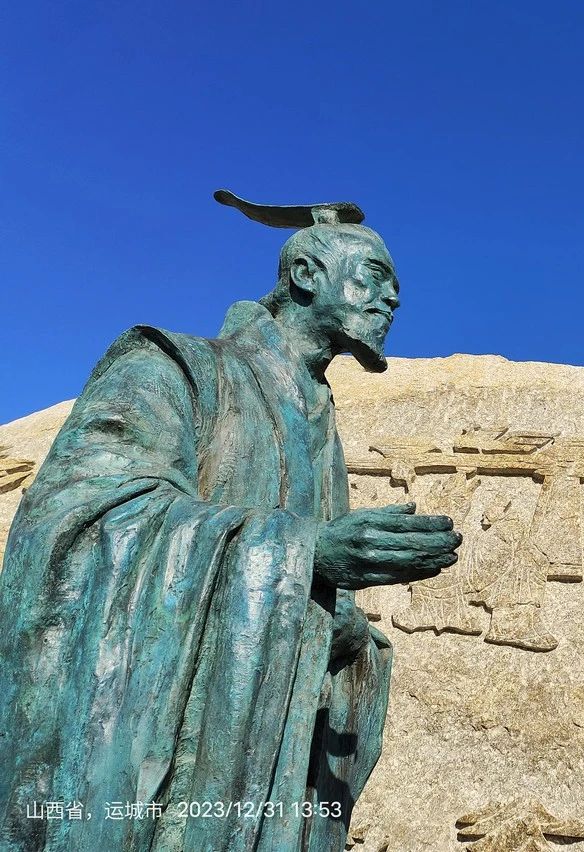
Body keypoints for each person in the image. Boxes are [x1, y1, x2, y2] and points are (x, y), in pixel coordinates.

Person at [0, 190, 463, 851]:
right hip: (157, 759)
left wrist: (346, 630)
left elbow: (302, 601)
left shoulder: (320, 424)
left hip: (265, 757)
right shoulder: (174, 369)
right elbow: (82, 517)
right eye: (374, 277)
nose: (392, 299)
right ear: (305, 274)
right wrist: (306, 553)